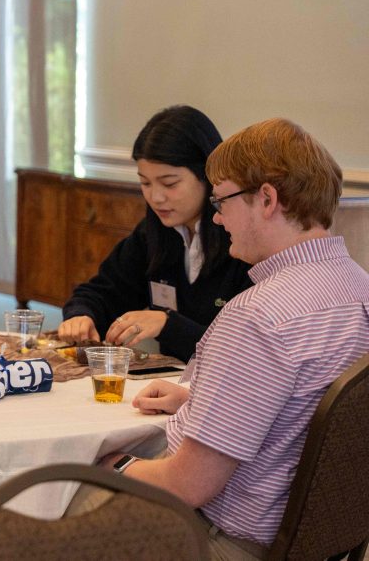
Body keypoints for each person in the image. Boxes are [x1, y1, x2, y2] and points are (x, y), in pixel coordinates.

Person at [100, 118, 369, 559]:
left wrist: (117, 466)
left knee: (54, 500)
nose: (218, 217)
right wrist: (200, 401)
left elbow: (185, 487)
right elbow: (309, 413)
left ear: (266, 199)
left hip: (226, 543)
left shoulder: (259, 316)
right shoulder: (358, 287)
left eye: (222, 200)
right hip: (322, 542)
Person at [58, 105, 252, 361]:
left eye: (170, 183)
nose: (156, 197)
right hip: (169, 385)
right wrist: (82, 315)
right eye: (145, 183)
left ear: (207, 175)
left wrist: (167, 324)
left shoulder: (242, 243)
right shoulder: (155, 233)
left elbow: (245, 352)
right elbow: (106, 290)